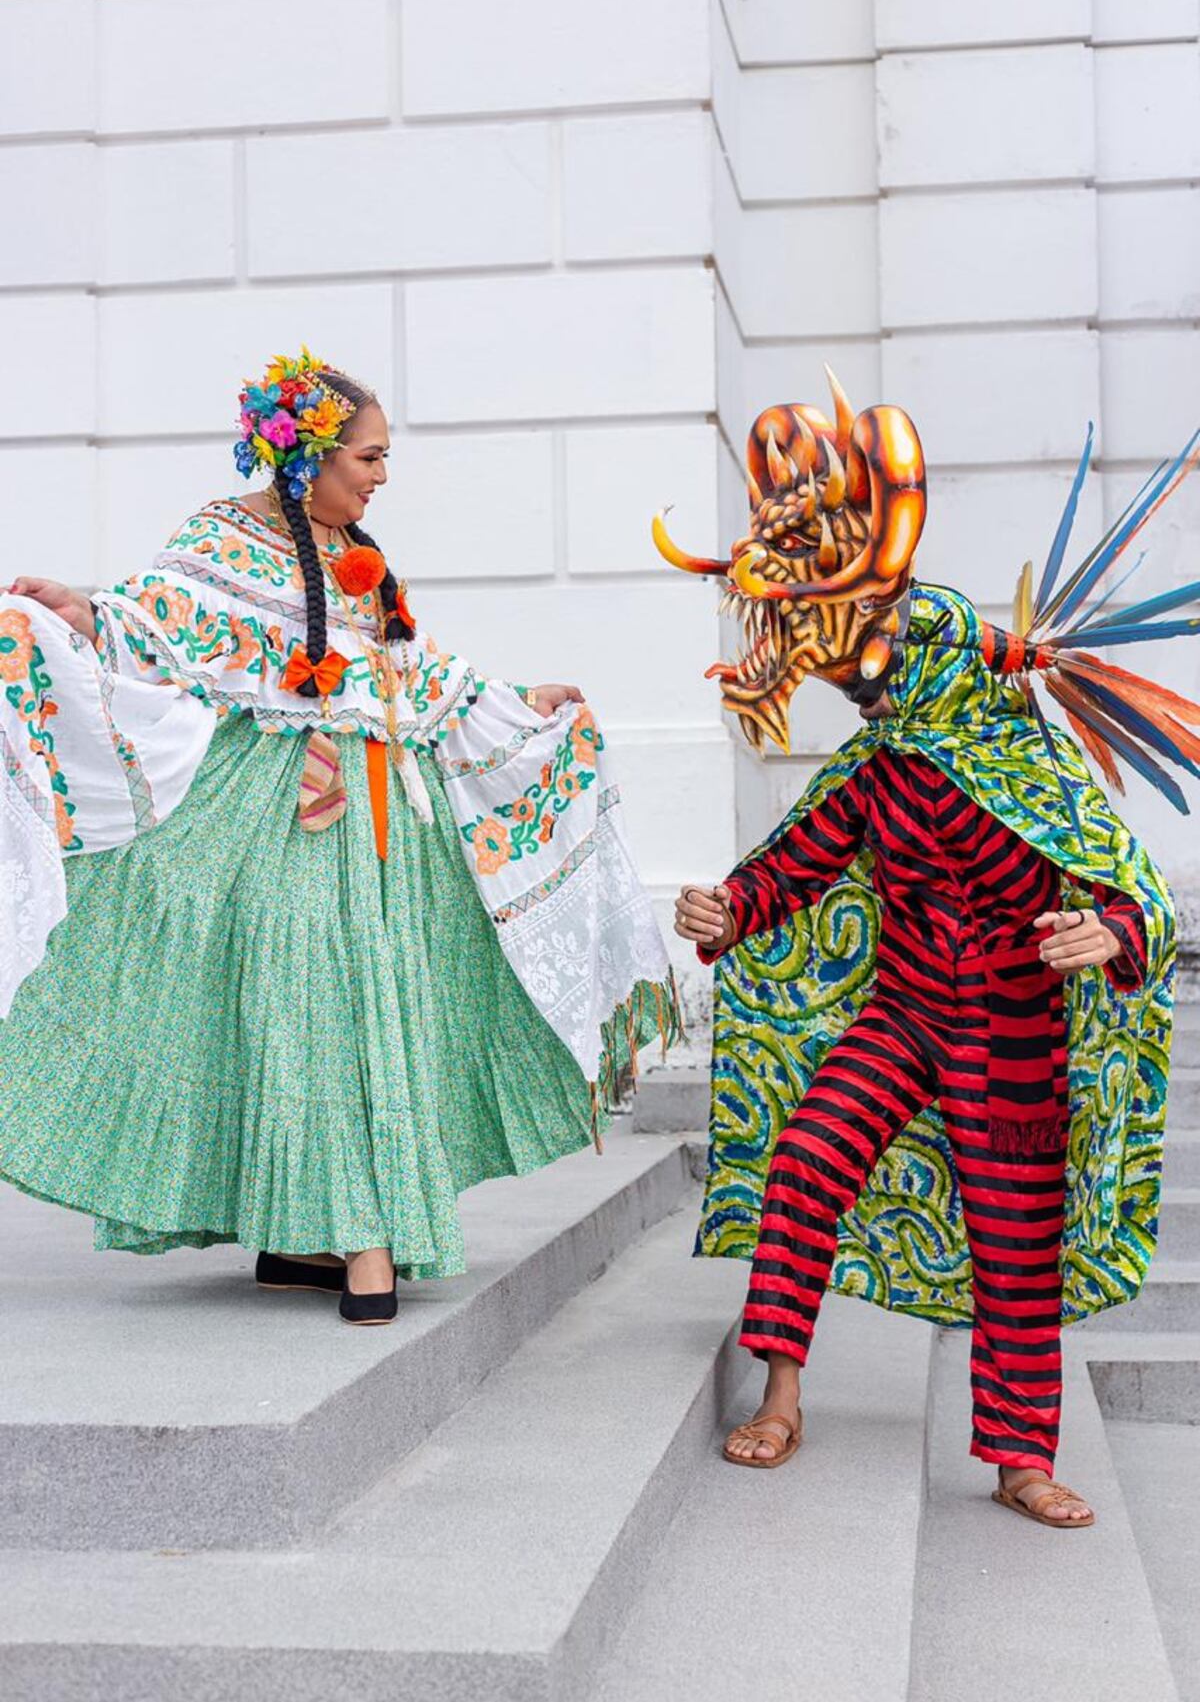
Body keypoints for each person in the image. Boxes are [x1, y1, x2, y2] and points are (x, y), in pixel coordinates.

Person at [0, 349, 677, 1325]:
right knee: (321, 1010)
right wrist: (80, 609)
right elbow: (159, 619)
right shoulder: (229, 543)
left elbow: (409, 674)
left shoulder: (360, 561)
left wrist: (519, 703)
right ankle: (363, 1243)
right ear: (308, 455)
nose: (381, 475)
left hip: (379, 818)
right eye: (368, 456)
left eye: (383, 458)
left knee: (354, 1006)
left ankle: (308, 1237)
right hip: (282, 816)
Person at [659, 372, 1189, 1528]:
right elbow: (788, 868)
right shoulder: (876, 771)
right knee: (805, 1162)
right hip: (902, 1021)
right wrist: (727, 910)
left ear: (943, 656)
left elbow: (1143, 894)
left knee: (1015, 1247)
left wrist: (1111, 930)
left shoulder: (1033, 770)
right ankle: (784, 1390)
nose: (869, 666)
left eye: (894, 644)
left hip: (1012, 1043)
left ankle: (1019, 1459)